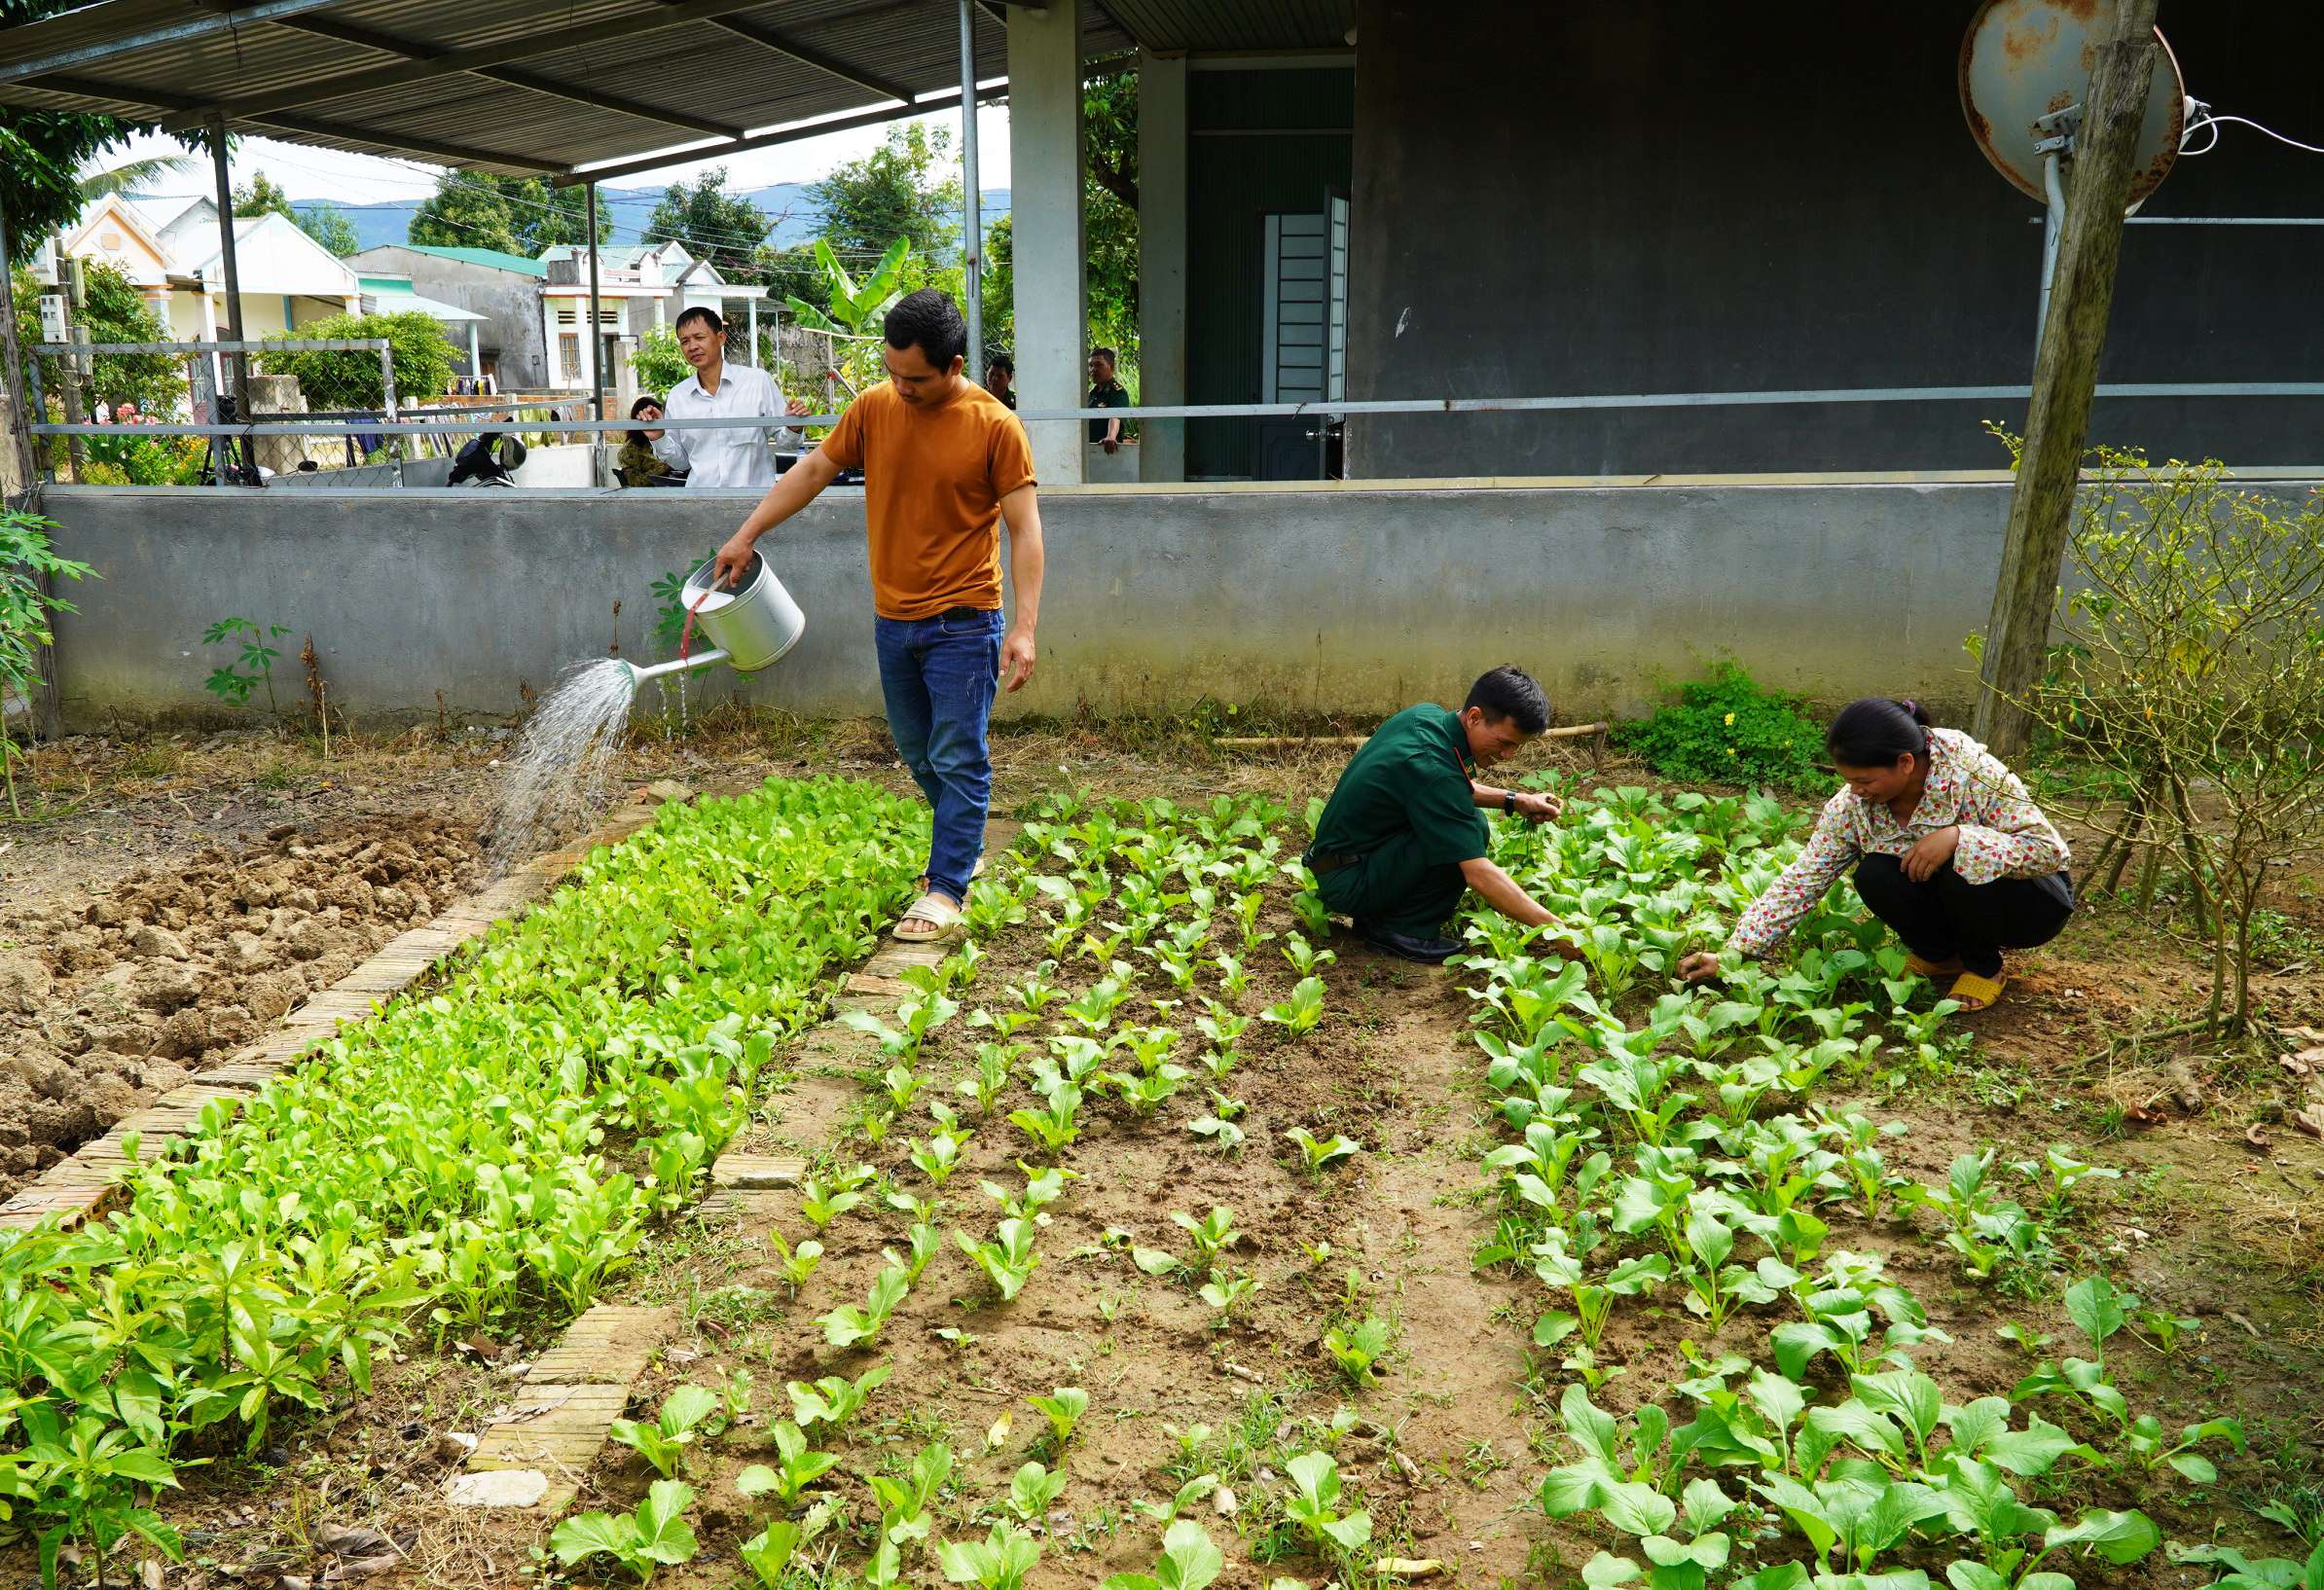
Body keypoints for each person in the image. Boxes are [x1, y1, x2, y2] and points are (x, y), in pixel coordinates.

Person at [709, 289, 1044, 944]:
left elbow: (1026, 531)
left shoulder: (995, 426)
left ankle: (947, 885)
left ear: (952, 365)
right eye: (892, 372)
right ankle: (962, 843)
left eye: (915, 378)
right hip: (893, 618)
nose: (901, 387)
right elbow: (812, 472)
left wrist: (1025, 628)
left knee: (957, 753)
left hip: (965, 619)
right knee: (919, 751)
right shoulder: (874, 407)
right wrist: (748, 533)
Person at [1677, 698, 2072, 1011]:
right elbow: (1804, 878)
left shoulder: (1975, 773)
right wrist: (1734, 954)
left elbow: (2049, 853)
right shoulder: (1853, 807)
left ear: (1905, 763)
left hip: (2031, 904)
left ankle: (1985, 968)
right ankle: (1943, 957)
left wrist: (1959, 837)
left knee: (1961, 860)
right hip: (1957, 902)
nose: (1856, 791)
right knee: (1874, 874)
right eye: (1849, 780)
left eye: (1865, 780)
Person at [1305, 666, 1575, 963]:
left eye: (1517, 747)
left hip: (1343, 862)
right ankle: (1398, 931)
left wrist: (1517, 800)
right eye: (1505, 743)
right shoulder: (1432, 767)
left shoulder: (1426, 717)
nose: (1508, 756)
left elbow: (1445, 790)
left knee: (1463, 824)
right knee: (1469, 830)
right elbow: (1479, 874)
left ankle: (1381, 917)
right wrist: (1556, 930)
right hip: (1350, 881)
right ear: (1474, 717)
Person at [652, 306, 810, 488]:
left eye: (699, 337)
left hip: (754, 504)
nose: (692, 346)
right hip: (701, 504)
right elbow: (681, 462)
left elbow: (787, 443)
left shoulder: (757, 382)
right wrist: (659, 437)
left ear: (721, 338)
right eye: (684, 341)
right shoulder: (678, 396)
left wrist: (793, 427)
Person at [617, 395, 674, 485]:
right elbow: (635, 483)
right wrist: (665, 467)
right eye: (655, 418)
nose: (660, 421)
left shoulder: (664, 440)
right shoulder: (630, 450)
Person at [1086, 346, 1129, 453]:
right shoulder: (1092, 394)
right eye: (1091, 365)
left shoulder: (1118, 393)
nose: (1093, 369)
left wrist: (1111, 436)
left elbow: (1115, 415)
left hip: (1107, 451)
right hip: (1089, 451)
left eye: (1099, 365)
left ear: (1111, 367)